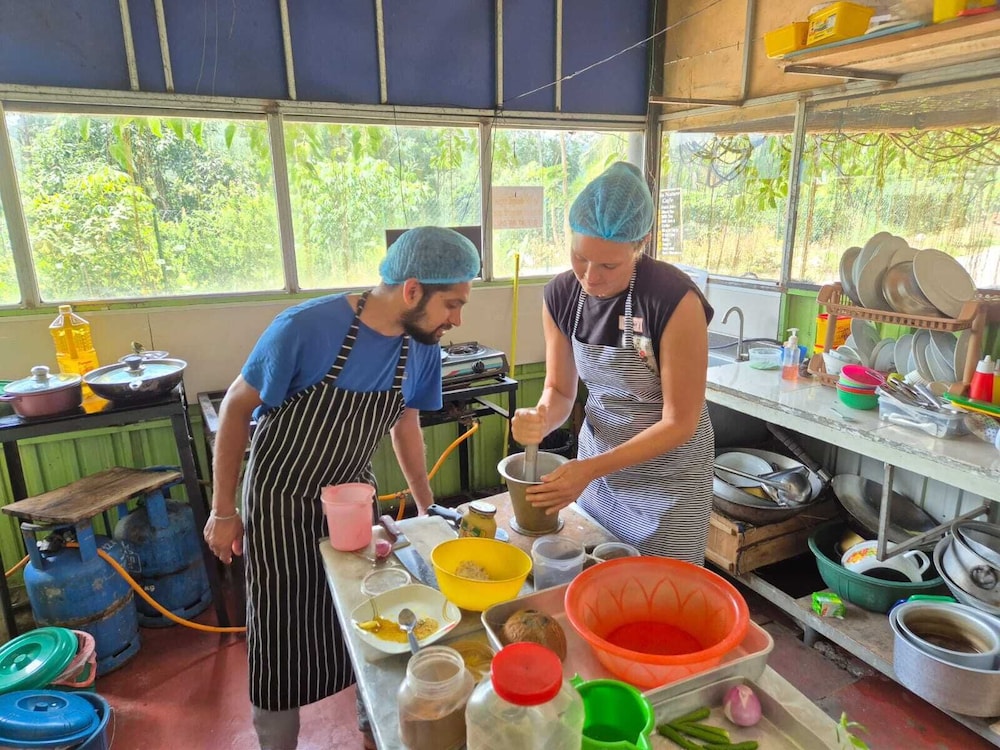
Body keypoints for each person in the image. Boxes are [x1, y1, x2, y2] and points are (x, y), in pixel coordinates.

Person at [204, 226, 480, 750]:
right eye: (453, 304)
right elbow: (237, 409)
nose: (457, 320)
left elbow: (405, 425)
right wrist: (223, 511)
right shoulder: (304, 328)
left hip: (353, 507)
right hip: (280, 505)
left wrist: (427, 508)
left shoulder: (420, 346)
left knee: (367, 617)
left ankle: (371, 729)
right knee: (279, 634)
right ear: (412, 290)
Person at [511, 162, 715, 564]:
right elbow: (560, 390)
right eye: (580, 257)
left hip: (668, 486)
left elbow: (680, 422)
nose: (590, 276)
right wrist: (540, 417)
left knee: (658, 588)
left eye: (609, 266)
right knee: (596, 575)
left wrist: (590, 469)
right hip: (597, 477)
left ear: (641, 245)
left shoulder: (673, 299)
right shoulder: (560, 296)